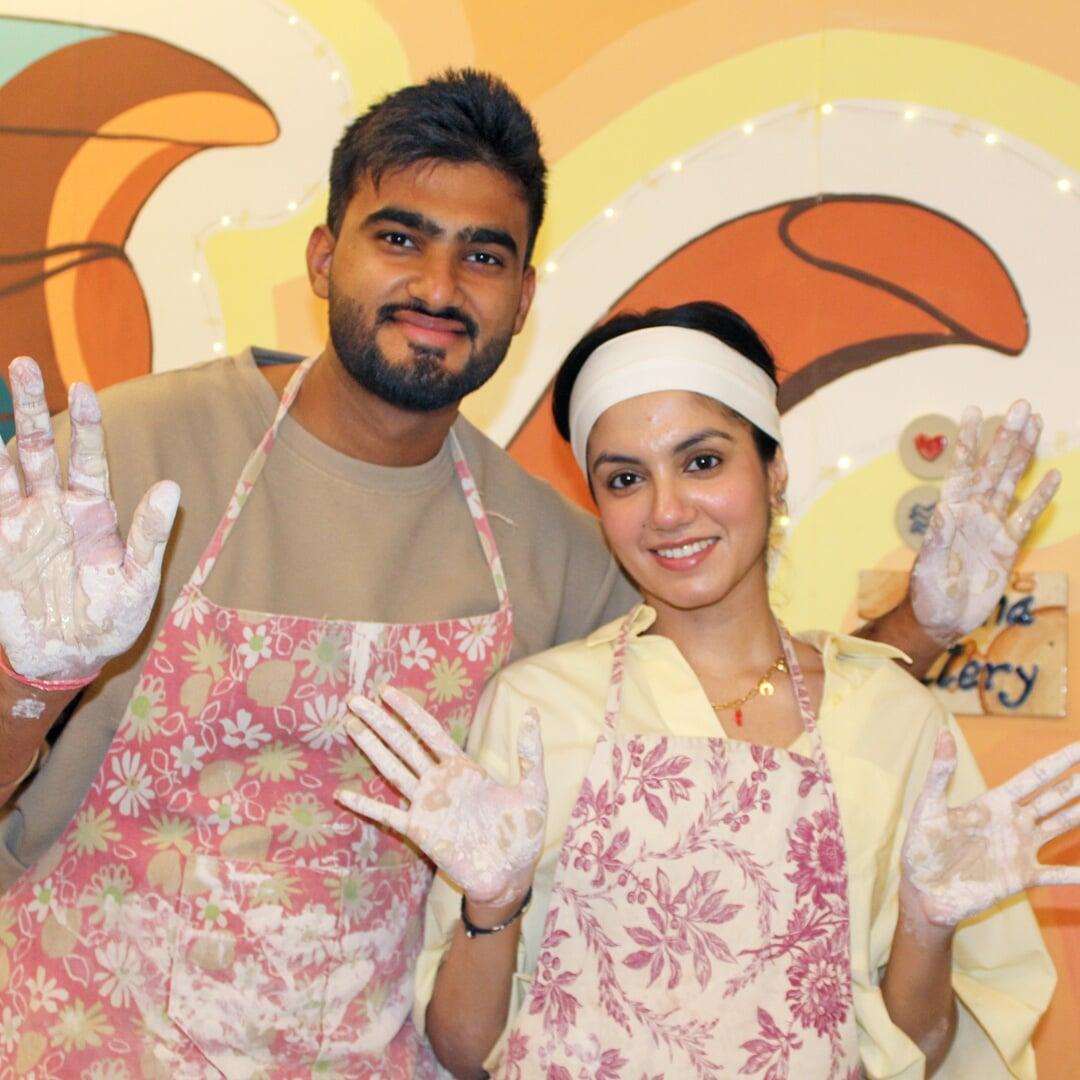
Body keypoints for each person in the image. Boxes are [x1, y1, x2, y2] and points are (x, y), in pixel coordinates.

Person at [0, 67, 1053, 1075]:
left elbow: (740, 706)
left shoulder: (545, 543)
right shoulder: (127, 458)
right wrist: (28, 679)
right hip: (85, 1040)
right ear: (324, 258)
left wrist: (922, 622)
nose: (439, 286)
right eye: (400, 237)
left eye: (483, 256)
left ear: (522, 295)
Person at [342, 302, 1078, 1079]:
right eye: (625, 478)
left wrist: (927, 925)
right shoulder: (536, 709)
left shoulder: (896, 722)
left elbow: (920, 1052)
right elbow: (462, 1051)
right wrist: (492, 906)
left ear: (774, 467)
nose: (666, 511)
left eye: (702, 462)